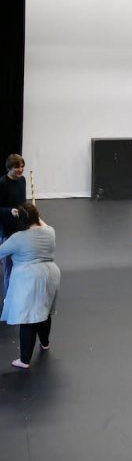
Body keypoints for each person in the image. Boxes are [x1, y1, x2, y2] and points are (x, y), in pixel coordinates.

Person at [0, 203, 60, 369]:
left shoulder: (18, 238)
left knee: (27, 318)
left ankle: (24, 360)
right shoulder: (50, 232)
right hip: (51, 274)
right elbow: (42, 223)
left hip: (30, 278)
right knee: (45, 310)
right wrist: (33, 215)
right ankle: (45, 343)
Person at [0, 153, 27, 296]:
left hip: (21, 229)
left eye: (22, 166)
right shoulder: (2, 184)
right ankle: (8, 299)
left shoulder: (22, 181)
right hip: (7, 231)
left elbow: (22, 202)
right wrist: (10, 211)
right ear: (9, 168)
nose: (21, 170)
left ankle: (19, 295)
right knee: (9, 269)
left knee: (21, 266)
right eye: (17, 167)